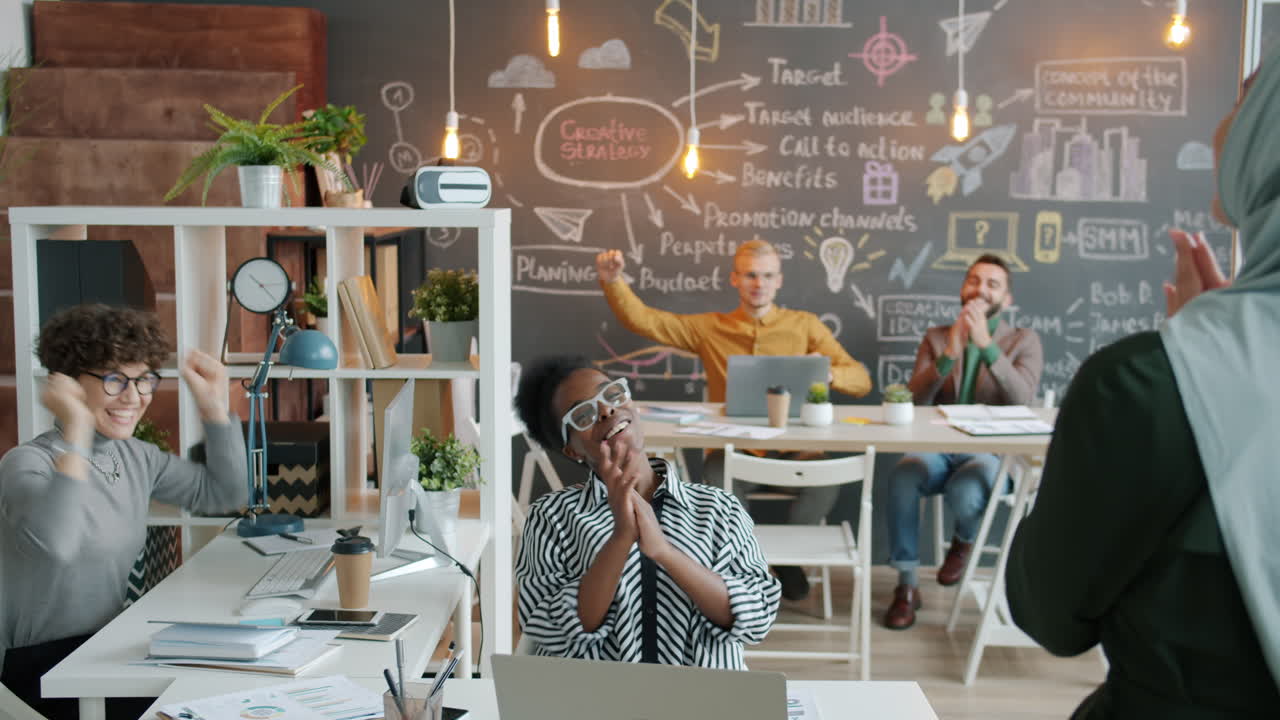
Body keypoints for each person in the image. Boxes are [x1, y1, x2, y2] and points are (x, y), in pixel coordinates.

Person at [1006, 57, 1280, 717]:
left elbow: (1051, 615)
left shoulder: (1140, 387)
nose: (1220, 131)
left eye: (1246, 100)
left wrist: (1200, 363)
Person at [0, 304, 248, 720]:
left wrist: (213, 408)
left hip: (105, 649)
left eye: (144, 380)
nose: (134, 397)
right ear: (69, 384)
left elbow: (223, 494)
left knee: (223, 692)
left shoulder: (134, 457)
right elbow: (58, 544)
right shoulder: (26, 463)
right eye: (115, 380)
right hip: (38, 672)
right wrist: (77, 428)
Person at [596, 239, 872, 599]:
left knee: (825, 485)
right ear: (735, 280)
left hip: (796, 450)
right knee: (714, 484)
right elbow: (646, 321)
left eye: (767, 275)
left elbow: (862, 380)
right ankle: (747, 561)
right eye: (751, 275)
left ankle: (786, 563)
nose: (759, 283)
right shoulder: (710, 327)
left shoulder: (805, 326)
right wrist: (613, 282)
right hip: (733, 452)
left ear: (779, 281)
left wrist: (828, 375)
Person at [513, 355, 780, 668]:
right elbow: (546, 629)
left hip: (705, 702)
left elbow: (757, 618)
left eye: (611, 394)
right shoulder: (552, 517)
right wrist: (621, 538)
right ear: (571, 449)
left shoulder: (719, 509)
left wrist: (665, 552)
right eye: (583, 414)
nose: (606, 410)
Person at [883, 254, 1043, 630]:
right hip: (937, 448)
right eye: (974, 281)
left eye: (992, 284)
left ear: (1006, 300)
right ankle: (906, 585)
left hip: (990, 453)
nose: (980, 289)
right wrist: (950, 354)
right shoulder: (938, 337)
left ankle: (963, 540)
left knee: (967, 490)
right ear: (963, 290)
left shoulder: (1024, 340)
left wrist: (987, 346)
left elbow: (1023, 400)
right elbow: (914, 401)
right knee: (904, 476)